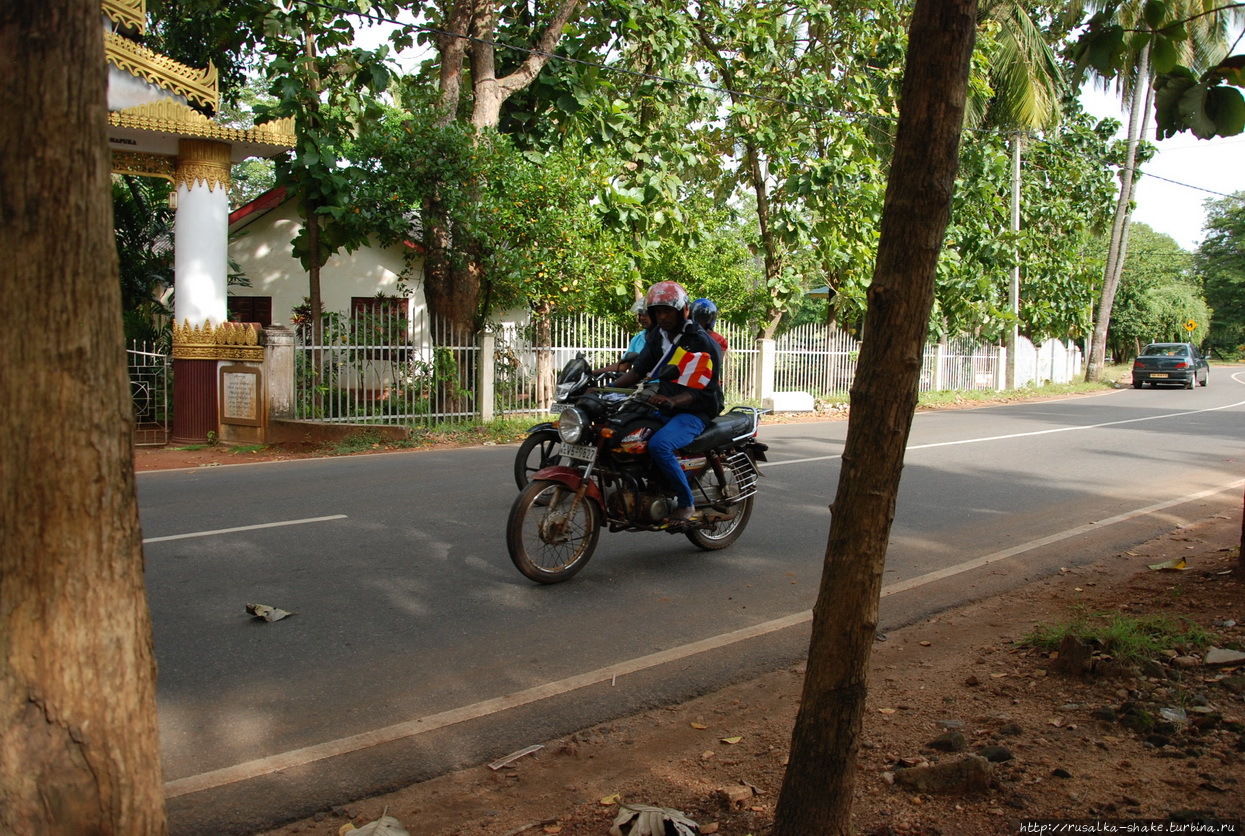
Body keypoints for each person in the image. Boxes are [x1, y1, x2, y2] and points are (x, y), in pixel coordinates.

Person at [613, 281, 724, 525]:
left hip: (696, 410)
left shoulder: (701, 342)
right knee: (625, 433)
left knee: (660, 446)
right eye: (657, 312)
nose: (662, 317)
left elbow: (704, 390)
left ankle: (686, 503)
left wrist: (673, 400)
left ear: (683, 310)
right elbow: (637, 372)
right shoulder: (657, 337)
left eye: (667, 311)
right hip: (662, 405)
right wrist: (606, 390)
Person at [595, 298, 652, 375]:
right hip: (642, 384)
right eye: (640, 314)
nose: (642, 318)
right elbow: (623, 366)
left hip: (659, 383)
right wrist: (593, 372)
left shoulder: (665, 337)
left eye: (646, 314)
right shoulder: (637, 339)